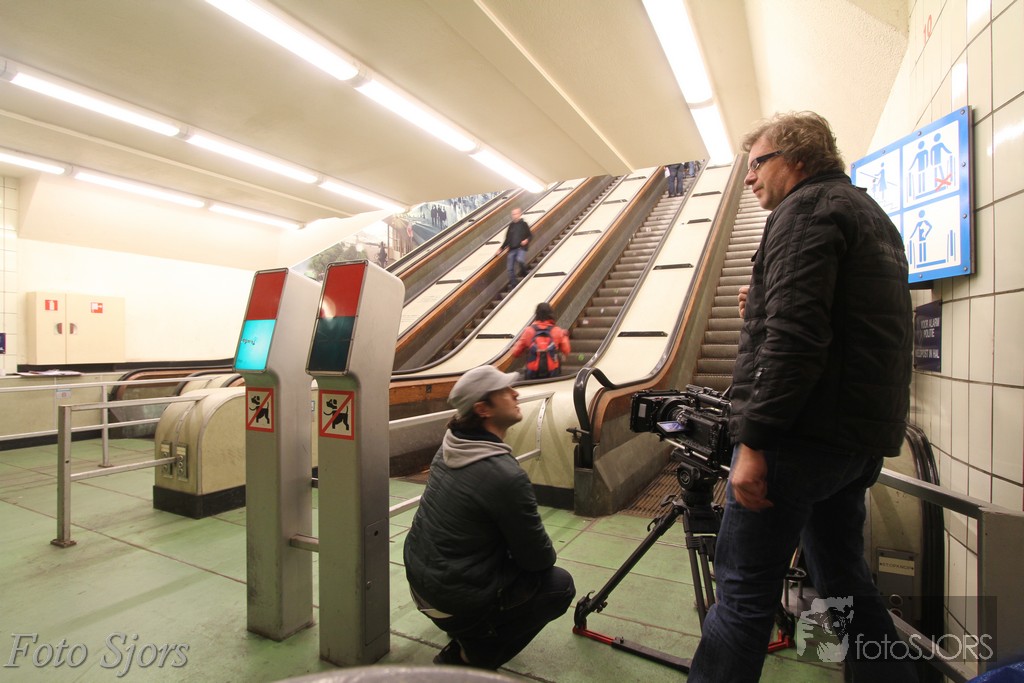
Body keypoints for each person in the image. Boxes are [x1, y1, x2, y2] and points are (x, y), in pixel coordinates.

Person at [688, 112, 915, 682]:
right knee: (845, 583)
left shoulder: (805, 210)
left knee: (741, 594)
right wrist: (763, 301)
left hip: (798, 442)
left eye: (757, 163)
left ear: (797, 159)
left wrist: (754, 442)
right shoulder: (870, 215)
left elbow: (795, 339)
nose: (748, 177)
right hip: (854, 443)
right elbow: (844, 322)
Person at [403, 365, 575, 670]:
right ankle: (470, 658)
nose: (515, 394)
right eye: (505, 392)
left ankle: (471, 630)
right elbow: (539, 560)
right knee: (559, 586)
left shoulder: (450, 447)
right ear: (483, 409)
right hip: (451, 601)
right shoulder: (505, 475)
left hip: (421, 585)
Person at [512, 302, 570, 379]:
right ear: (551, 314)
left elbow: (515, 352)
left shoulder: (528, 331)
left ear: (536, 314)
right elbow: (566, 350)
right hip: (552, 374)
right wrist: (564, 336)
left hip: (532, 374)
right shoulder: (557, 331)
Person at [496, 207, 531, 287]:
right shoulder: (511, 226)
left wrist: (526, 240)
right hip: (512, 250)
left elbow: (530, 235)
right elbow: (507, 239)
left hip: (521, 248)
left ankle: (524, 273)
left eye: (516, 214)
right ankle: (514, 285)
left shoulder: (524, 224)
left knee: (520, 259)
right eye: (513, 214)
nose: (514, 216)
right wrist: (501, 248)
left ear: (520, 214)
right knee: (509, 268)